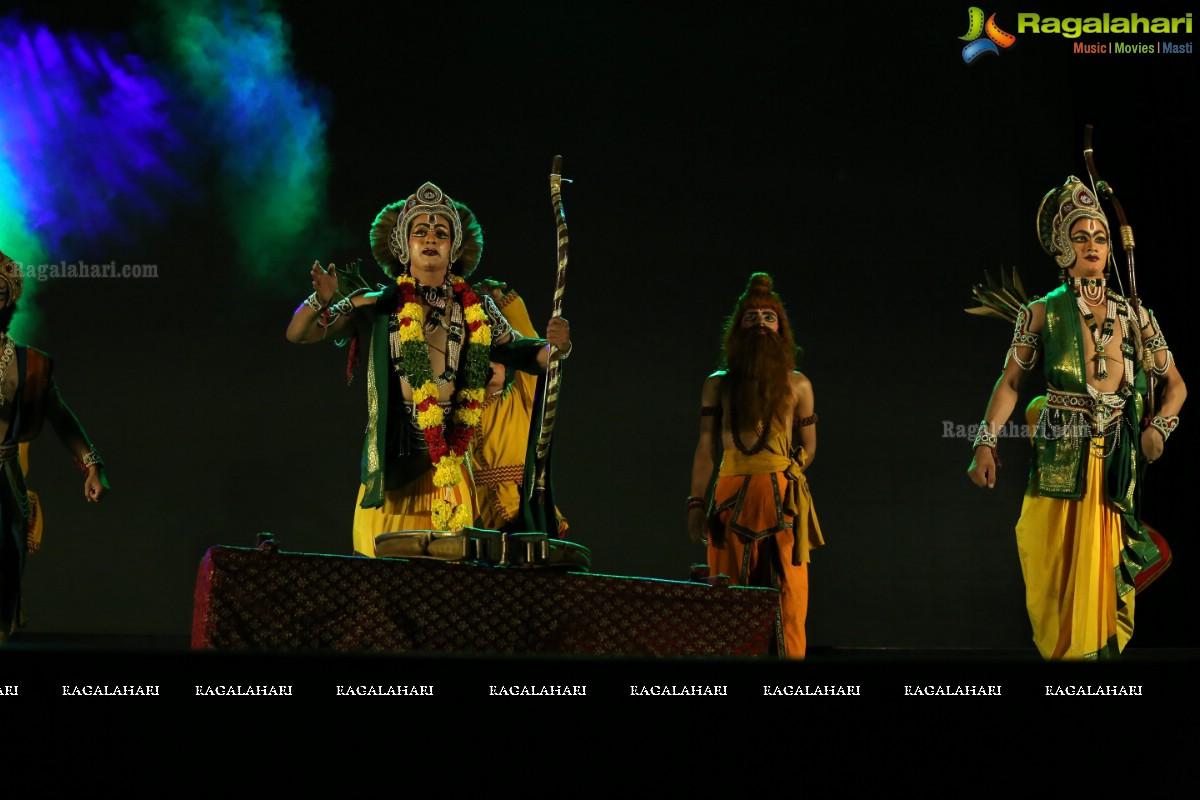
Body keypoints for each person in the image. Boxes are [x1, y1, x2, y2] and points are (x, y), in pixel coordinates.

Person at [286, 182, 572, 556]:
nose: (431, 238)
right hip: (394, 470)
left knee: (448, 584)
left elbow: (521, 353)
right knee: (383, 579)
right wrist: (319, 301)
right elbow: (300, 334)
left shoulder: (478, 308)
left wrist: (556, 347)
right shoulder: (376, 304)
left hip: (451, 465)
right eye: (420, 231)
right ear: (403, 245)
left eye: (441, 232)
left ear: (454, 248)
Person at [966, 176, 1186, 660]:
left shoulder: (1135, 316)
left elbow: (1177, 386)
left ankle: (1095, 669)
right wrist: (985, 442)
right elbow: (1009, 384)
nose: (1093, 245)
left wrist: (1160, 428)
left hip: (1115, 464)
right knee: (1051, 564)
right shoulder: (1041, 312)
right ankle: (1066, 667)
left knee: (1102, 576)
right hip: (1060, 458)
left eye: (1101, 237)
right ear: (1064, 246)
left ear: (1111, 248)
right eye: (1081, 236)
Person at [687, 272, 824, 659]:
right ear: (738, 328)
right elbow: (705, 447)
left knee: (789, 600)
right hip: (730, 497)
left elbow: (808, 447)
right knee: (727, 600)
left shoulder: (799, 384)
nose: (761, 323)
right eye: (752, 317)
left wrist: (789, 471)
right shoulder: (718, 383)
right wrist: (696, 503)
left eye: (769, 317)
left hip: (784, 501)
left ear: (780, 328)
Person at [0, 250, 109, 641]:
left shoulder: (31, 366)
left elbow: (61, 418)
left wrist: (92, 464)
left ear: (7, 301)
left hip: (4, 480)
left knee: (6, 572)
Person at [470, 279, 569, 535]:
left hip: (520, 507)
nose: (489, 366)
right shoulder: (461, 411)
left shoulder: (520, 396)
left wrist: (503, 302)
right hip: (476, 514)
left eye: (496, 360)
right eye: (482, 361)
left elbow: (530, 344)